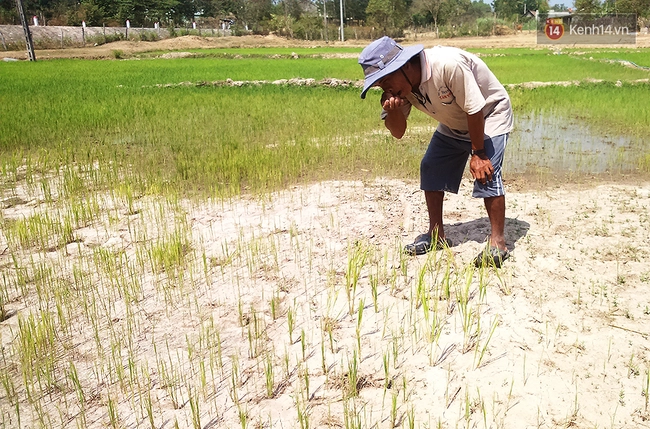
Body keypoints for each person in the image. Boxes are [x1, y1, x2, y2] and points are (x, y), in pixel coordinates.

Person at [358, 36, 513, 267]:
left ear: (405, 65)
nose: (386, 88)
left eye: (386, 79)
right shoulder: (403, 87)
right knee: (431, 165)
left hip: (489, 114)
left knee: (486, 170)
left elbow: (475, 108)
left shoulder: (447, 65)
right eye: (380, 85)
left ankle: (497, 243)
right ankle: (437, 235)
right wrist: (393, 112)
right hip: (455, 121)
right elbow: (398, 132)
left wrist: (478, 153)